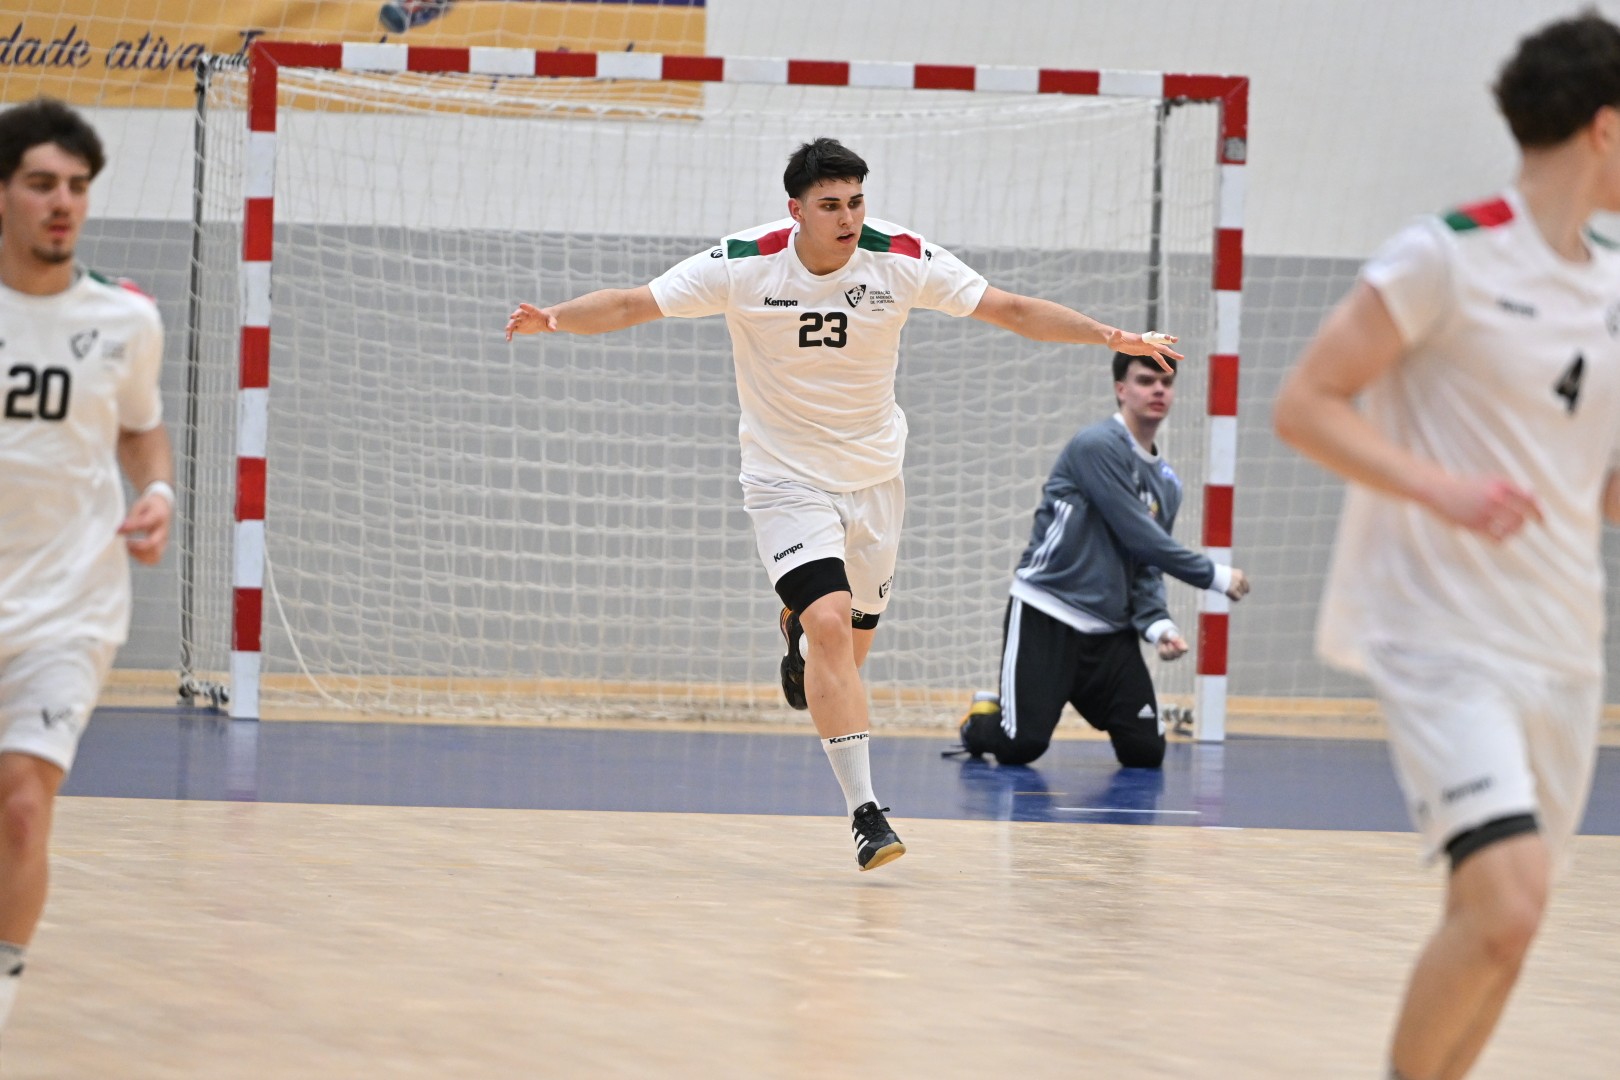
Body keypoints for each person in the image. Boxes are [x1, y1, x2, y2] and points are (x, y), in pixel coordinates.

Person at [506, 137, 1181, 871]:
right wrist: (555, 318)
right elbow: (636, 302)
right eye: (830, 205)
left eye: (857, 202)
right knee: (830, 625)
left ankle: (797, 636)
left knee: (848, 655)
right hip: (785, 481)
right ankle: (866, 812)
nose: (849, 218)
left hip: (875, 483)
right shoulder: (746, 261)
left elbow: (1011, 309)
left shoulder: (900, 257)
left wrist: (1110, 336)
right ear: (795, 210)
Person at [1273, 14, 1620, 1079]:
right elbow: (1306, 402)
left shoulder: (1613, 281)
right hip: (1443, 632)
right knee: (1505, 901)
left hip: (1562, 638)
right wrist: (1443, 488)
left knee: (1511, 924)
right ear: (1606, 128)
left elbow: (1597, 484)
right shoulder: (1446, 254)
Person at [0, 99, 172, 1034]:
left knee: (24, 808)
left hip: (71, 603)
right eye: (40, 184)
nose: (61, 202)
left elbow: (141, 427)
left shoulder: (125, 319)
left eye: (76, 186)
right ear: (3, 195)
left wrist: (159, 493)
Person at [946, 351, 1248, 768]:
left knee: (1145, 752)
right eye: (1145, 380)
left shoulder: (1167, 485)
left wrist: (1157, 624)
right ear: (1121, 389)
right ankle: (982, 716)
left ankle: (1057, 693)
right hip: (1048, 613)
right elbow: (1138, 534)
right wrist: (1213, 575)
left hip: (1109, 630)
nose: (1158, 390)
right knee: (1021, 747)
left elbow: (1145, 564)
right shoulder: (1097, 445)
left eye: (1166, 382)